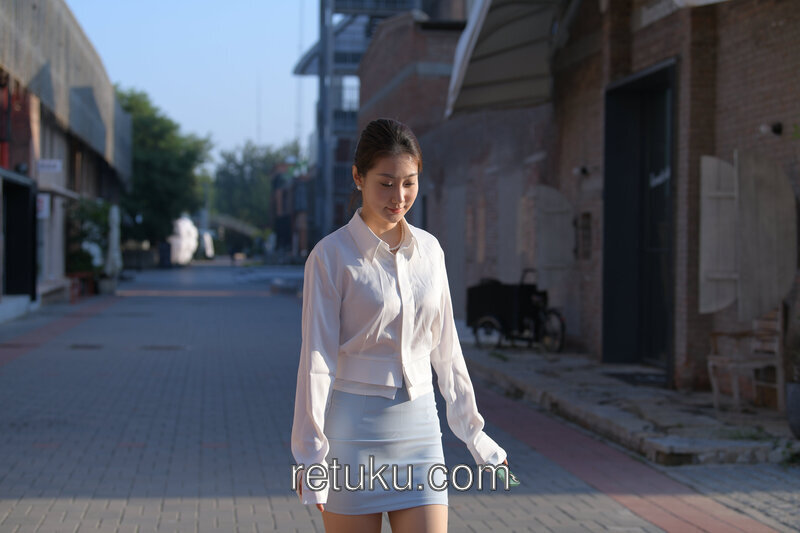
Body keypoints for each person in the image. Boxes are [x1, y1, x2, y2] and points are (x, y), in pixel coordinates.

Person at [291, 118, 510, 533]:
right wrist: (310, 457)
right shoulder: (330, 257)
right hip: (351, 436)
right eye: (386, 183)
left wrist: (475, 435)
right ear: (358, 177)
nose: (399, 196)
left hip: (421, 432)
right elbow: (316, 363)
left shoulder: (430, 250)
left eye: (409, 183)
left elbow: (446, 350)